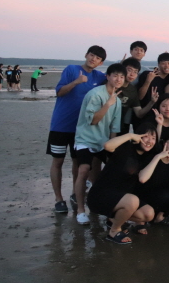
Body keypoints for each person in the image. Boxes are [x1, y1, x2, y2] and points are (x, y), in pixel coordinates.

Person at [46, 45, 107, 214]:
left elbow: (115, 78)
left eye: (98, 58)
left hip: (81, 129)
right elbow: (59, 92)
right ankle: (59, 199)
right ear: (86, 55)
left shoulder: (98, 76)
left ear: (101, 63)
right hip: (60, 125)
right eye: (92, 55)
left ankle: (75, 193)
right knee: (57, 161)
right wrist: (76, 82)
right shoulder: (71, 69)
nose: (93, 59)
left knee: (77, 162)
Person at [86, 124, 160, 244]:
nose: (149, 141)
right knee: (133, 201)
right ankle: (114, 231)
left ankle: (114, 220)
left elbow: (142, 178)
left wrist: (158, 156)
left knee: (148, 214)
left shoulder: (147, 157)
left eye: (153, 138)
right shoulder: (126, 148)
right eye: (146, 136)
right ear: (138, 135)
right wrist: (130, 135)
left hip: (120, 198)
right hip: (100, 195)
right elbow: (107, 146)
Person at [73, 63, 125, 225]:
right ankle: (80, 210)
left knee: (113, 170)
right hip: (85, 139)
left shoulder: (117, 100)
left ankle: (106, 206)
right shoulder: (95, 94)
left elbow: (114, 128)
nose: (118, 79)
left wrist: (112, 151)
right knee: (84, 170)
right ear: (107, 76)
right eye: (115, 75)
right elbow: (93, 120)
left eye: (121, 77)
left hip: (103, 141)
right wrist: (107, 104)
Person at [119, 57, 158, 134]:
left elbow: (139, 113)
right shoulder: (111, 85)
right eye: (129, 70)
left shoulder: (132, 90)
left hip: (119, 127)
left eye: (135, 72)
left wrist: (152, 102)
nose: (132, 74)